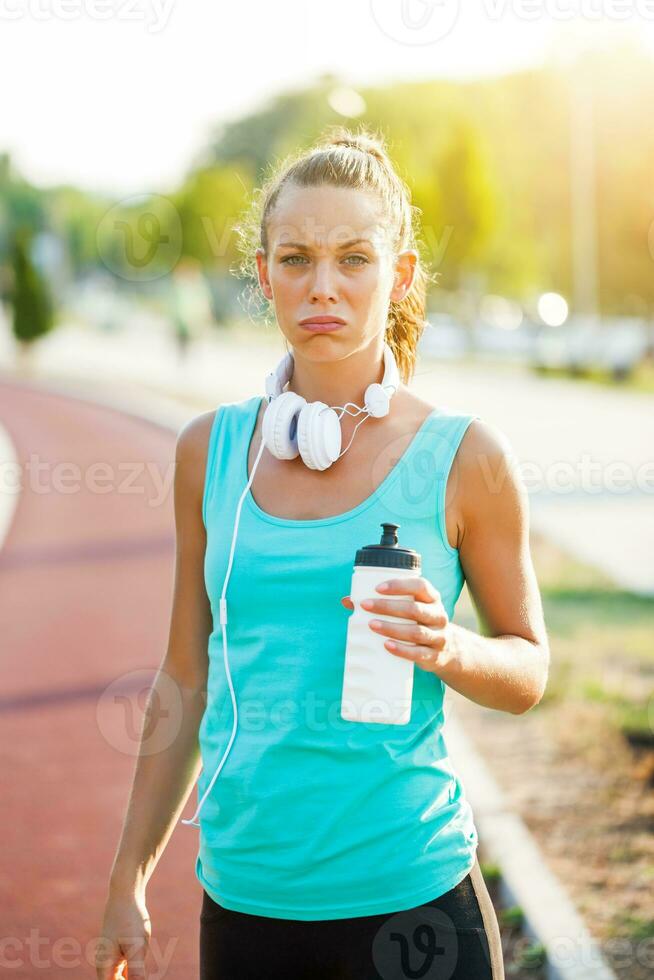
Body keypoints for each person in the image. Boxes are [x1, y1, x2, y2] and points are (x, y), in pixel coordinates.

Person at [95, 127, 549, 980]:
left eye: (354, 259)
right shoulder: (208, 450)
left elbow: (528, 670)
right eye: (296, 259)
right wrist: (128, 876)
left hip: (411, 902)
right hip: (246, 904)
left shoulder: (467, 458)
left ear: (401, 274)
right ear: (263, 275)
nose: (323, 288)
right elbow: (183, 678)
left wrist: (446, 647)